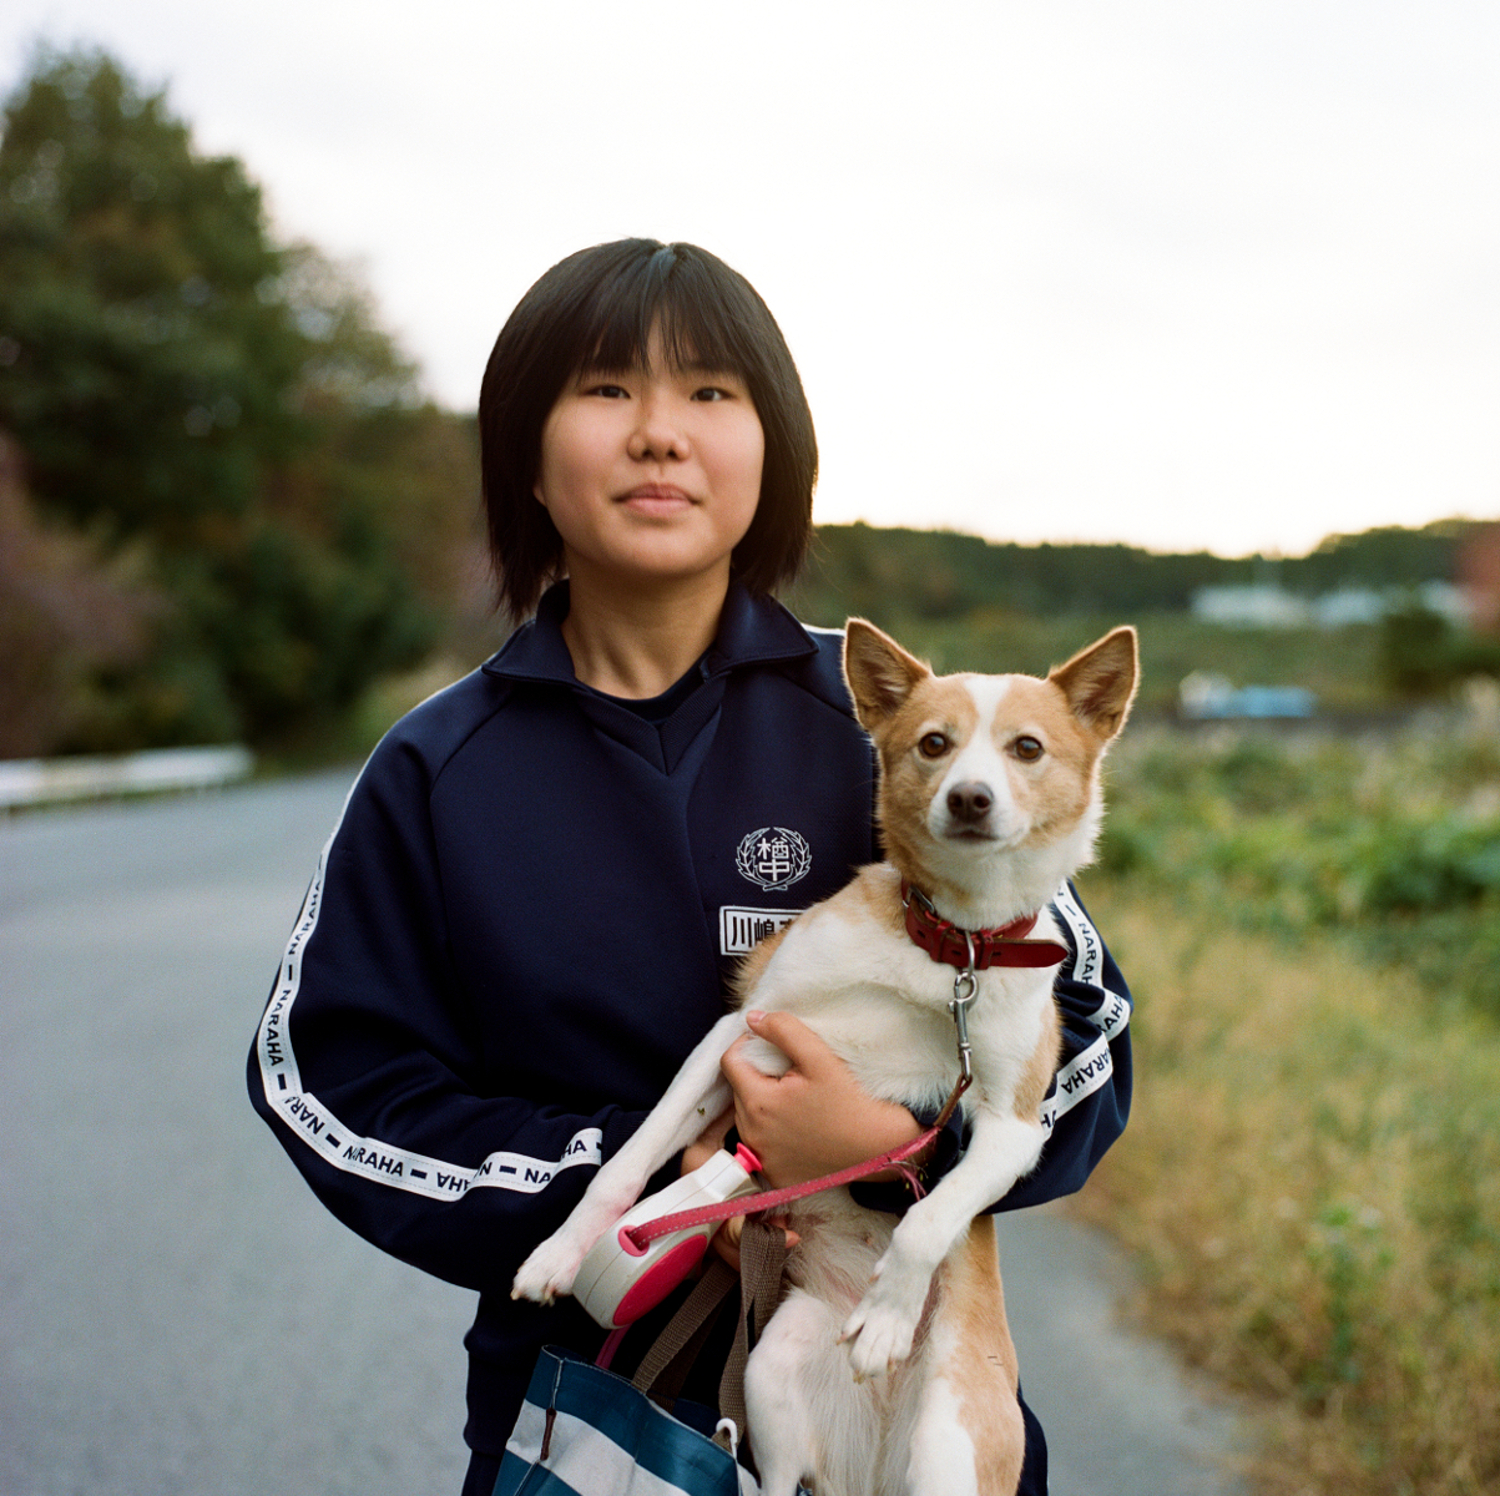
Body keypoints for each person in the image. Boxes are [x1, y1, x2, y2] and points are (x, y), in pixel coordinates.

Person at [247, 238, 1132, 1496]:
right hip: (586, 1417)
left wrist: (890, 1149)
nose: (660, 432)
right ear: (526, 454)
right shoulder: (440, 767)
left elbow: (1085, 1026)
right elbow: (327, 1080)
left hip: (904, 1404)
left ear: (773, 451)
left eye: (712, 393)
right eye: (606, 389)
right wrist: (641, 1179)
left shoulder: (898, 730)